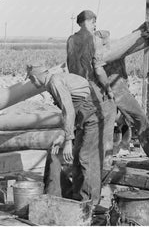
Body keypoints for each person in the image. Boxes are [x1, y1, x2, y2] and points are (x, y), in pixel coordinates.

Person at [67, 10, 149, 167]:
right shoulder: (98, 50)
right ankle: (105, 163)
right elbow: (98, 70)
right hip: (108, 92)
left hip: (106, 92)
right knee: (126, 123)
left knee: (133, 121)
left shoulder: (101, 49)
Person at [26, 62, 104, 205]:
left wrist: (68, 141)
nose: (32, 82)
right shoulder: (53, 82)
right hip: (83, 117)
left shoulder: (55, 82)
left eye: (31, 78)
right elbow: (69, 111)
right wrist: (63, 135)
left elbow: (69, 110)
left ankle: (90, 203)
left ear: (38, 76)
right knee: (77, 158)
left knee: (85, 158)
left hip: (92, 117)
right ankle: (77, 196)